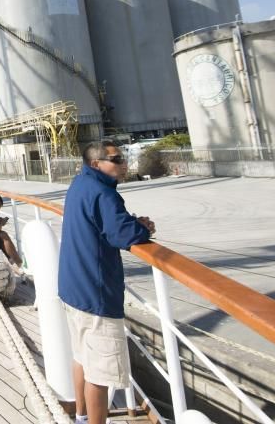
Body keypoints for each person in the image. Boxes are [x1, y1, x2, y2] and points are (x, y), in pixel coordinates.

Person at [58, 141, 156, 424]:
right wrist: (142, 228)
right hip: (95, 294)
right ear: (95, 164)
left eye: (122, 157)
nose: (122, 163)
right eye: (115, 159)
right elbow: (123, 235)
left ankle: (81, 416)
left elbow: (106, 225)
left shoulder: (80, 184)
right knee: (99, 375)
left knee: (82, 357)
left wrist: (128, 223)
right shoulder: (103, 193)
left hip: (73, 288)